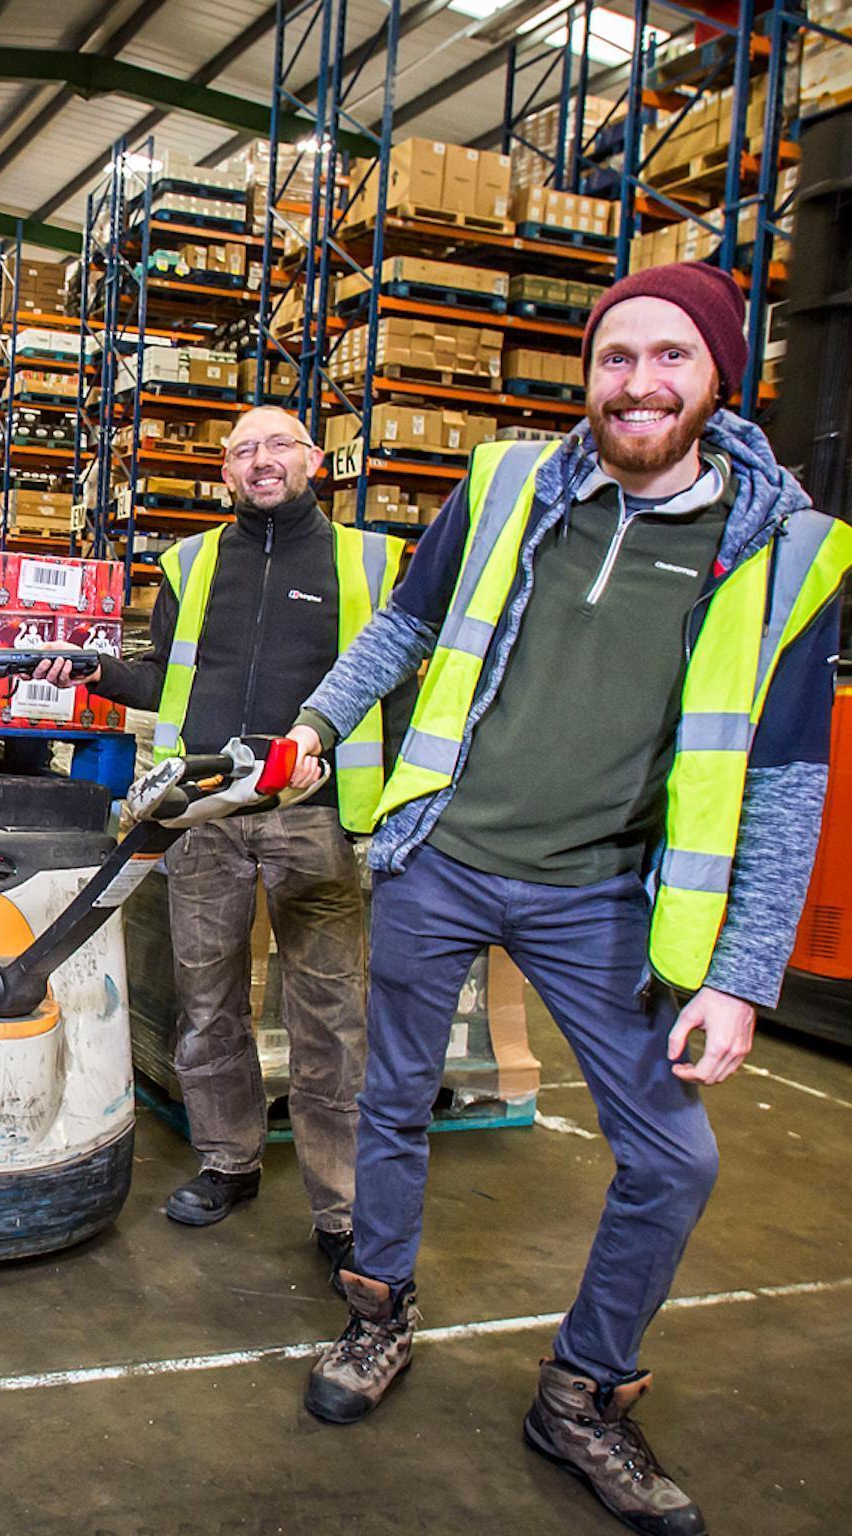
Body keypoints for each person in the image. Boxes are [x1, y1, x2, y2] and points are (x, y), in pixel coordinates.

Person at [287, 262, 851, 1535]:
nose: (637, 383)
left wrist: (741, 974)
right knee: (386, 1101)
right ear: (585, 373)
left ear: (718, 379)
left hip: (603, 899)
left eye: (668, 358)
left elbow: (784, 777)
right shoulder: (505, 487)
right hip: (439, 860)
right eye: (614, 357)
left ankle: (583, 1392)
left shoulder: (787, 553)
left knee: (670, 1156)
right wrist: (320, 726)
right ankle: (374, 1313)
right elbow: (407, 629)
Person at [41, 405, 405, 1287]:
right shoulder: (192, 561)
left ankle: (342, 1208)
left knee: (330, 1019)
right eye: (244, 451)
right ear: (226, 471)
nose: (262, 461)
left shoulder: (370, 560)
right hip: (205, 807)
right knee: (207, 1002)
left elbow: (402, 680)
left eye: (278, 445)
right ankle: (229, 1162)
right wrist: (95, 673)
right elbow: (170, 676)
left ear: (314, 459)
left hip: (313, 811)